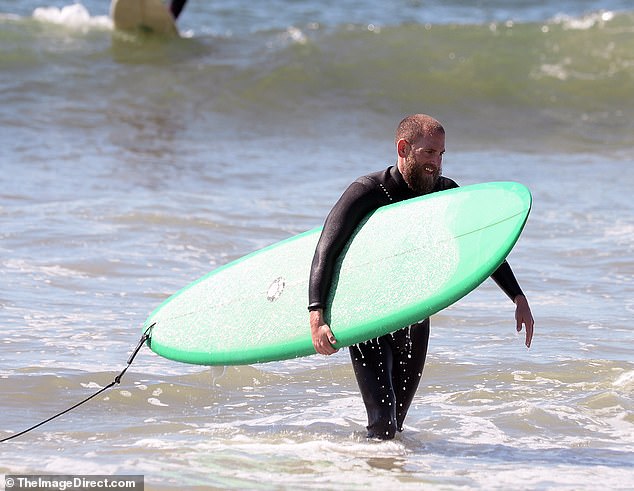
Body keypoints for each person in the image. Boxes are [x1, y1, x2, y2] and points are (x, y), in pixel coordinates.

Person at [308, 114, 534, 440]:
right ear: (404, 148)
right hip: (370, 317)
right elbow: (325, 251)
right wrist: (317, 314)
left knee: (395, 425)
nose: (437, 163)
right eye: (429, 152)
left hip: (415, 320)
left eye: (441, 154)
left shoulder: (445, 192)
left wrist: (518, 296)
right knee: (383, 425)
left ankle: (378, 472)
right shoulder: (367, 192)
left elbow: (481, 247)